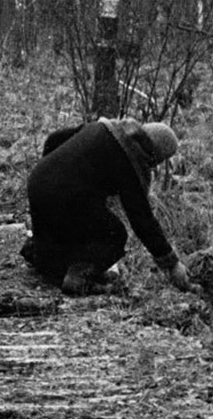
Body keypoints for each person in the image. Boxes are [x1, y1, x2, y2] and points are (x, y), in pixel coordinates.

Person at [22, 117, 195, 296]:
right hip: (64, 198)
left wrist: (51, 172)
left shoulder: (105, 127)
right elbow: (142, 220)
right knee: (114, 235)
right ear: (155, 155)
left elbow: (55, 138)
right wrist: (172, 264)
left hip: (38, 183)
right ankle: (79, 277)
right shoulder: (130, 159)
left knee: (86, 219)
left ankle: (39, 251)